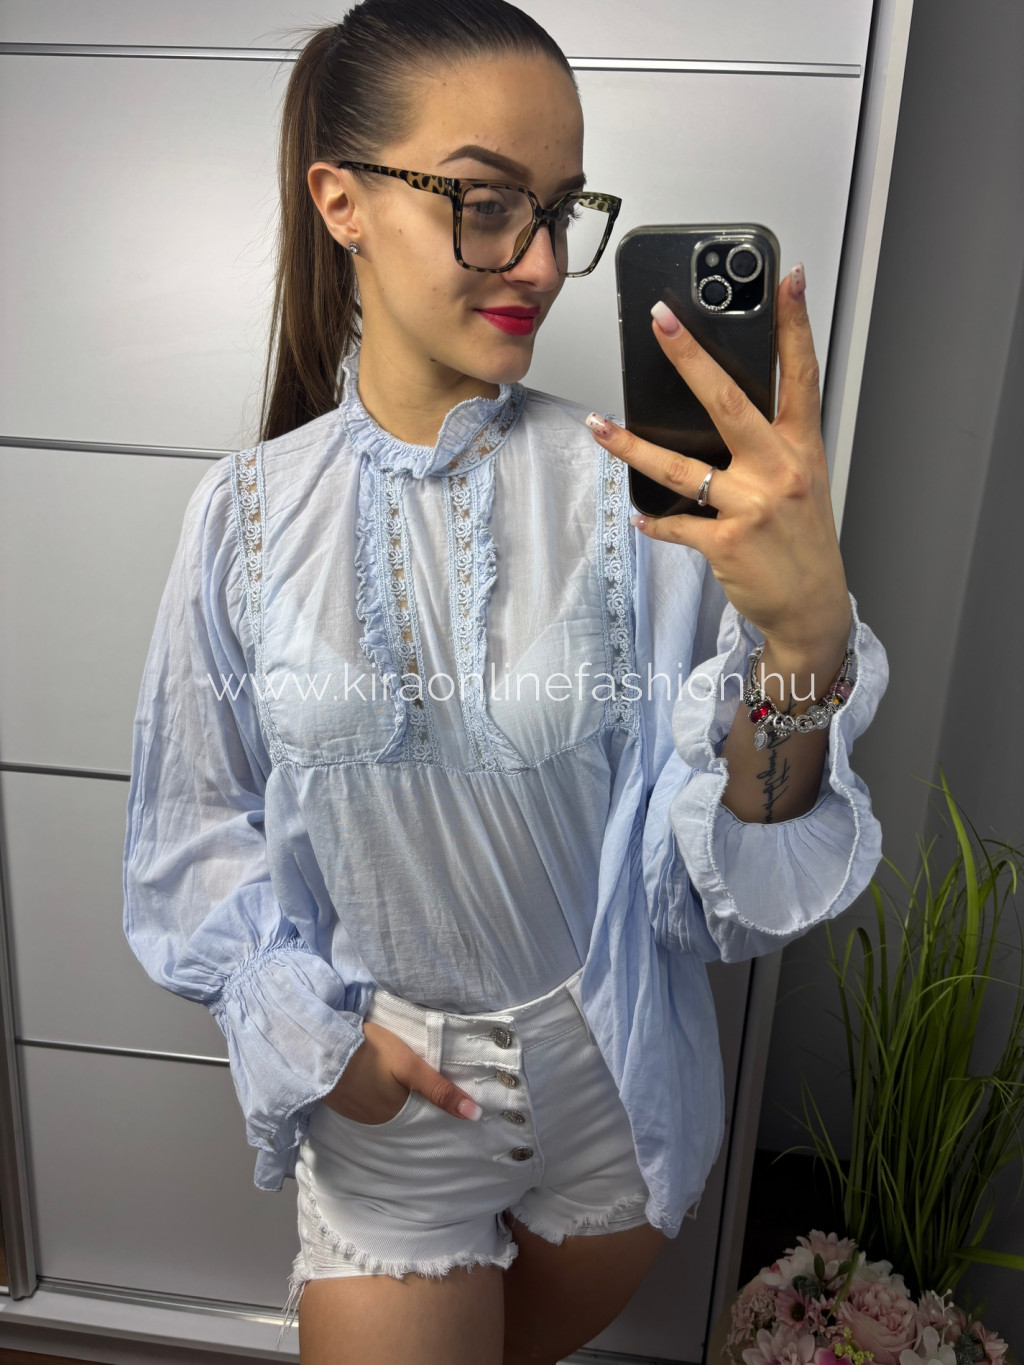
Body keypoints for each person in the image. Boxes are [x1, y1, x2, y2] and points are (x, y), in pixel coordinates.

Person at [121, 2, 889, 1362]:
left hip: (617, 1099)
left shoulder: (644, 505)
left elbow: (723, 890)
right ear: (342, 202)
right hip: (391, 1117)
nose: (539, 260)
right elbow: (192, 831)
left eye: (561, 209)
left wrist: (800, 652)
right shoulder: (242, 518)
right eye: (486, 205)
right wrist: (315, 1040)